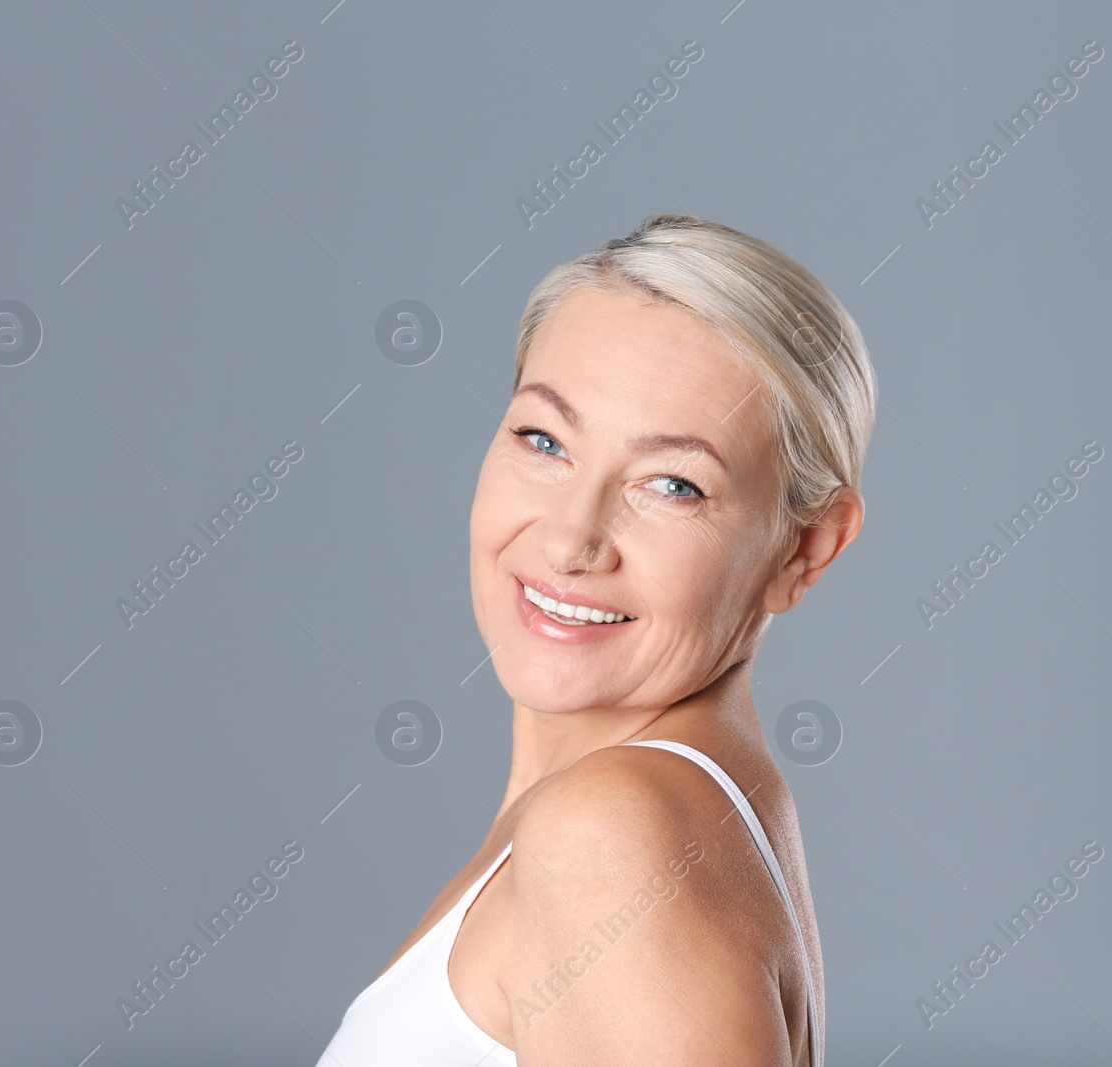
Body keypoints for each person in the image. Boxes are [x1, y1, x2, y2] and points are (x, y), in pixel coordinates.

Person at [319, 213, 875, 1065]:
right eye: (544, 439)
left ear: (805, 547)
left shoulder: (613, 836)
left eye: (674, 484)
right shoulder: (646, 819)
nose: (571, 538)